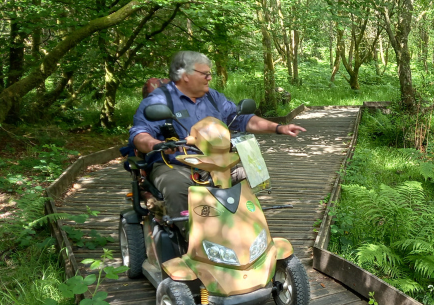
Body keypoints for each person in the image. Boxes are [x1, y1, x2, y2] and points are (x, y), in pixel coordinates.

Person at [129, 51, 305, 230]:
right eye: (205, 74)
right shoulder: (159, 100)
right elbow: (139, 134)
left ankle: (244, 229)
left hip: (217, 163)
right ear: (185, 75)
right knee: (176, 187)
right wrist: (155, 144)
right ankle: (190, 240)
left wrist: (278, 128)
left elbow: (242, 119)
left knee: (249, 174)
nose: (210, 78)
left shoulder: (213, 98)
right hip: (176, 165)